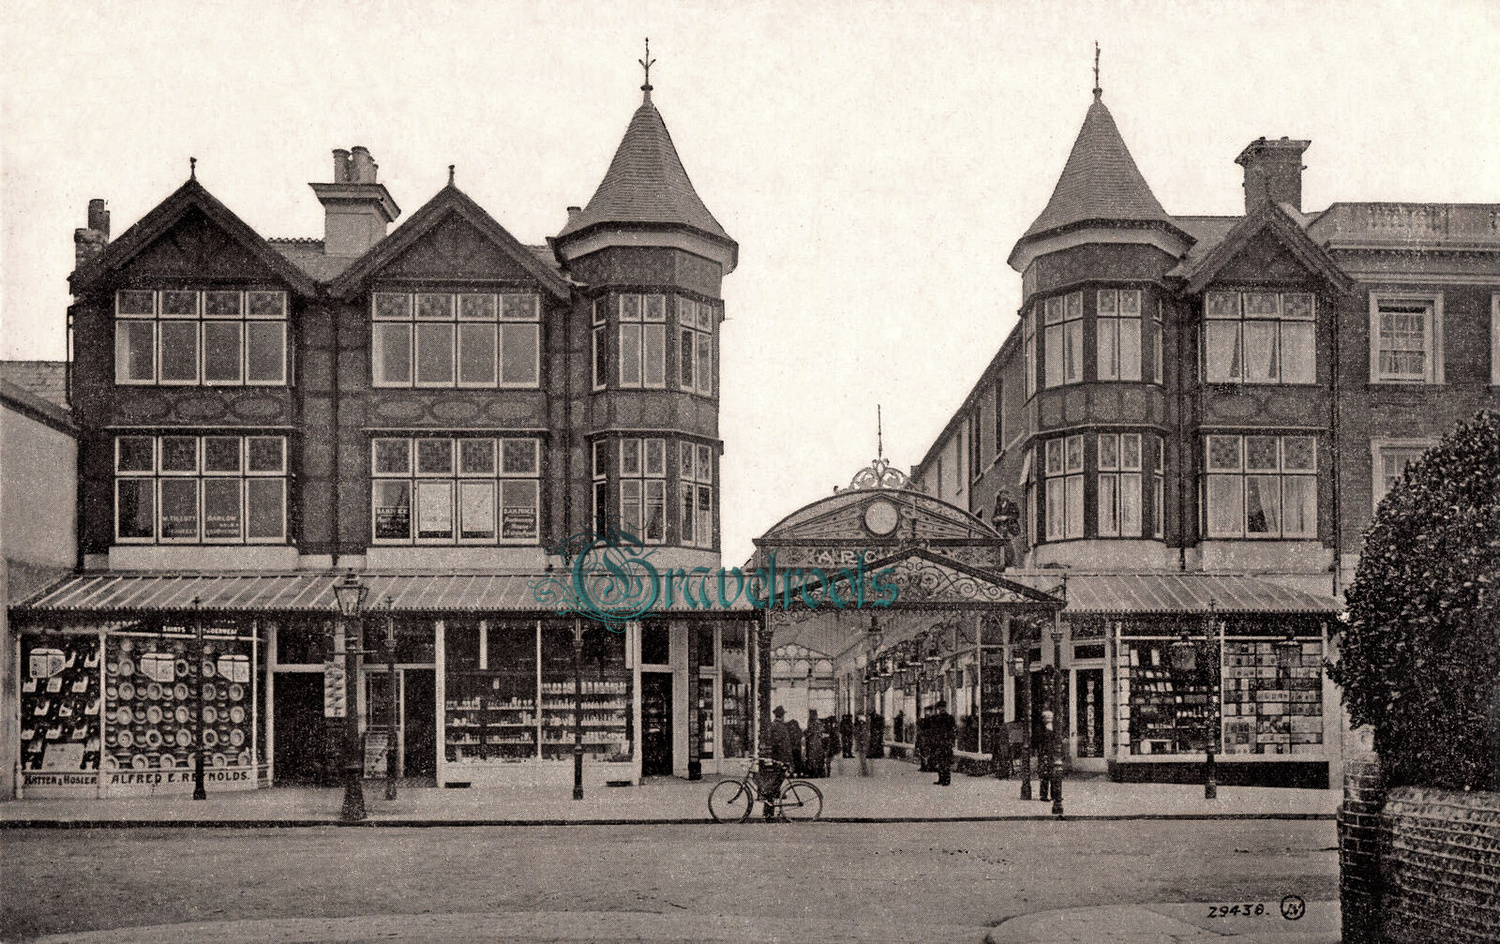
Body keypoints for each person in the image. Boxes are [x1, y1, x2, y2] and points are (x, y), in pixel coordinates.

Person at [763, 706, 795, 818]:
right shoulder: (782, 727)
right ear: (782, 716)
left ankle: (768, 812)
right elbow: (786, 746)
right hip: (783, 760)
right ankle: (769, 812)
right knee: (774, 786)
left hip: (778, 760)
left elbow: (772, 742)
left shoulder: (774, 726)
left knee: (772, 786)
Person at [929, 699, 956, 786]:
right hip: (938, 742)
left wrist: (951, 741)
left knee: (946, 762)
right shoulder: (936, 718)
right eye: (940, 708)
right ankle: (941, 778)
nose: (942, 709)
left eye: (943, 707)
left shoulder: (950, 718)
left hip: (946, 742)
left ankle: (946, 779)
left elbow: (953, 730)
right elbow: (933, 730)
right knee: (939, 761)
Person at [805, 710, 826, 779]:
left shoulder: (812, 723)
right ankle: (818, 772)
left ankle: (814, 772)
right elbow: (822, 731)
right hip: (816, 743)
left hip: (813, 743)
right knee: (817, 758)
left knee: (813, 758)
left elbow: (809, 732)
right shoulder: (818, 723)